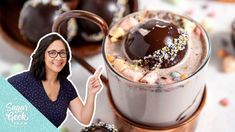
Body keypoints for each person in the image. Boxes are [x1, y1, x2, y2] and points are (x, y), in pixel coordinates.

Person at [7, 32, 103, 127]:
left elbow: (84, 118)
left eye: (62, 53)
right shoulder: (24, 81)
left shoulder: (66, 87)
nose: (58, 57)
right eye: (52, 53)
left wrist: (91, 93)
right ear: (43, 55)